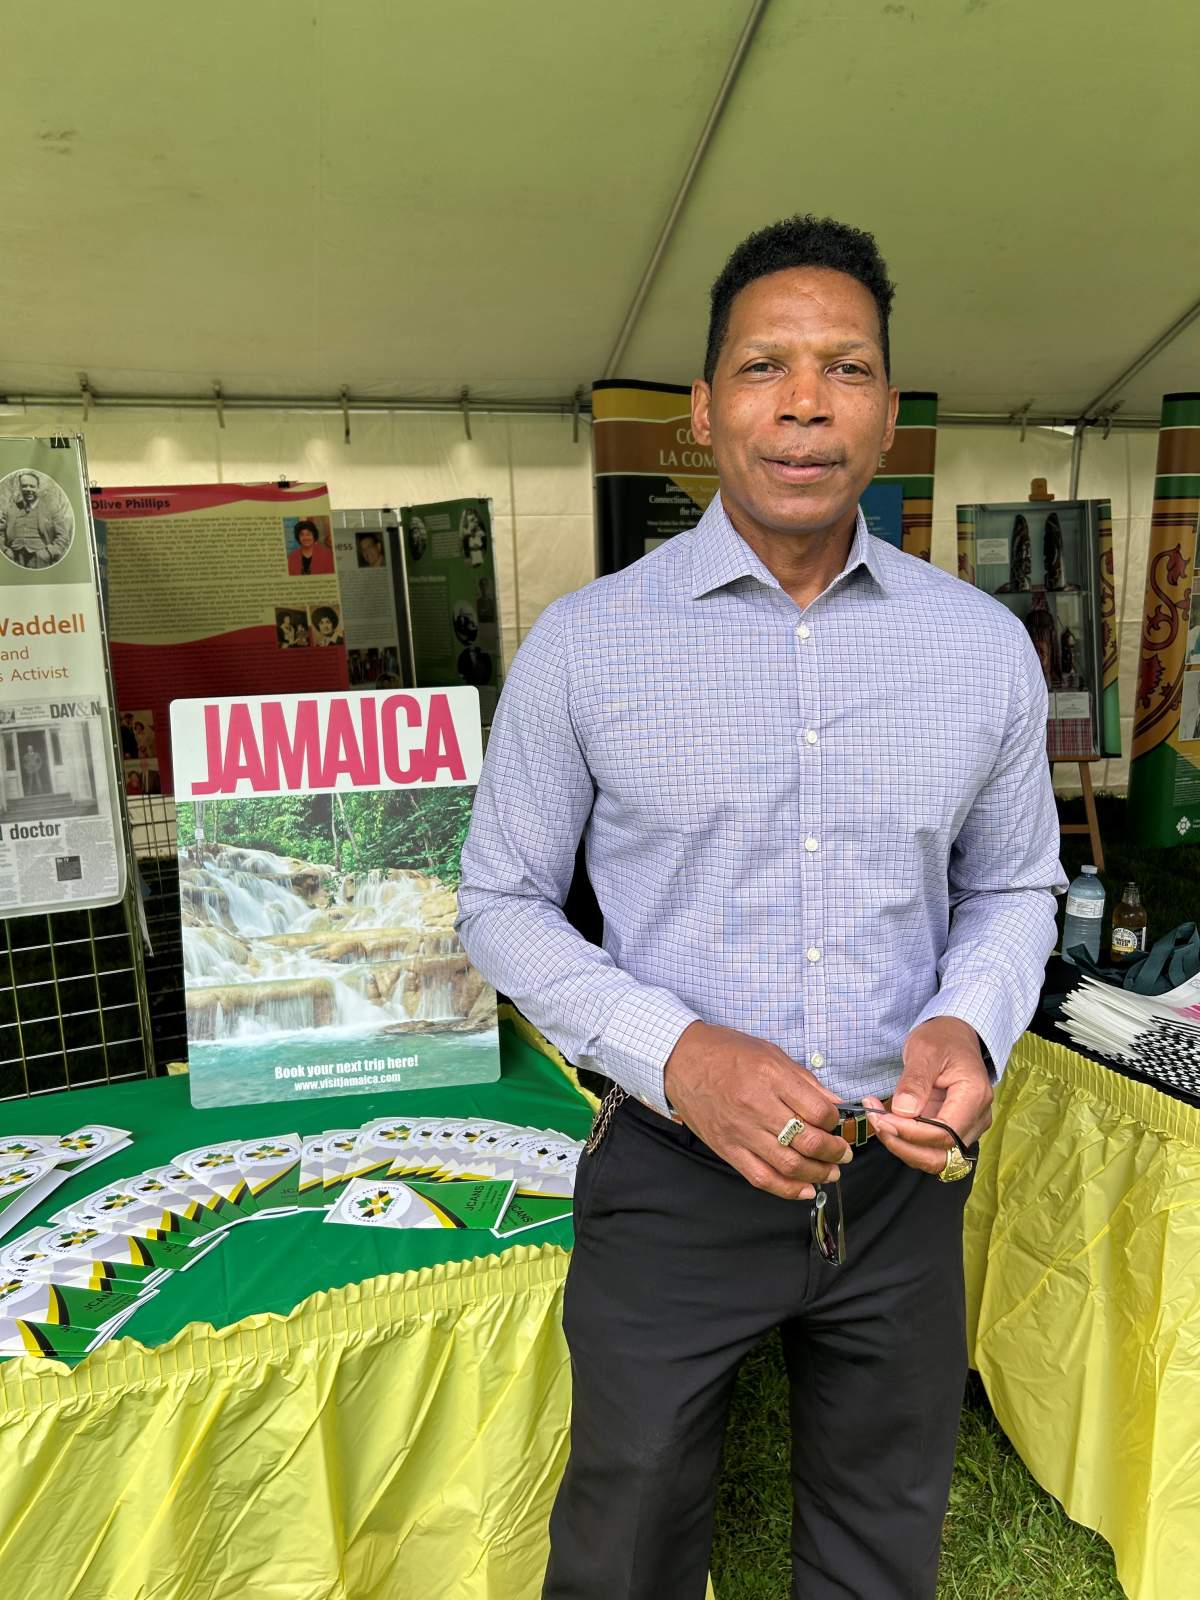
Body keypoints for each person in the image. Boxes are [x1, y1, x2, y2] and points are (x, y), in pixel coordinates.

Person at [456, 214, 1065, 1600]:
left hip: (899, 1183)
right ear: (703, 407)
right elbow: (500, 901)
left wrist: (966, 1030)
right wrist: (677, 1051)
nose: (803, 402)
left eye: (844, 367)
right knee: (626, 1544)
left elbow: (1017, 882)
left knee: (879, 1532)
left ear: (889, 411)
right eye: (764, 366)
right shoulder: (588, 647)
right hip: (671, 1180)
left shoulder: (976, 651)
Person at [0, 471, 73, 569]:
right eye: (24, 486)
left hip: (39, 559)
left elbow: (63, 537)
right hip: (14, 557)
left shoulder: (51, 509)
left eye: (32, 486)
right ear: (20, 488)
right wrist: (5, 550)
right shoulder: (11, 509)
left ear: (38, 488)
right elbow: (1, 533)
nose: (28, 489)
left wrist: (47, 553)